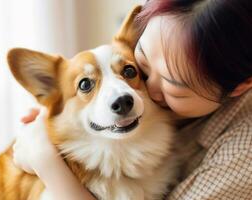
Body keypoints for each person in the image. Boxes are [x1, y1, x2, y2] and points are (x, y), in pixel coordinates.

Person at [16, 0, 252, 199]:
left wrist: (45, 160)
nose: (146, 89)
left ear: (240, 86)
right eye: (143, 67)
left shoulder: (242, 155)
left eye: (175, 85)